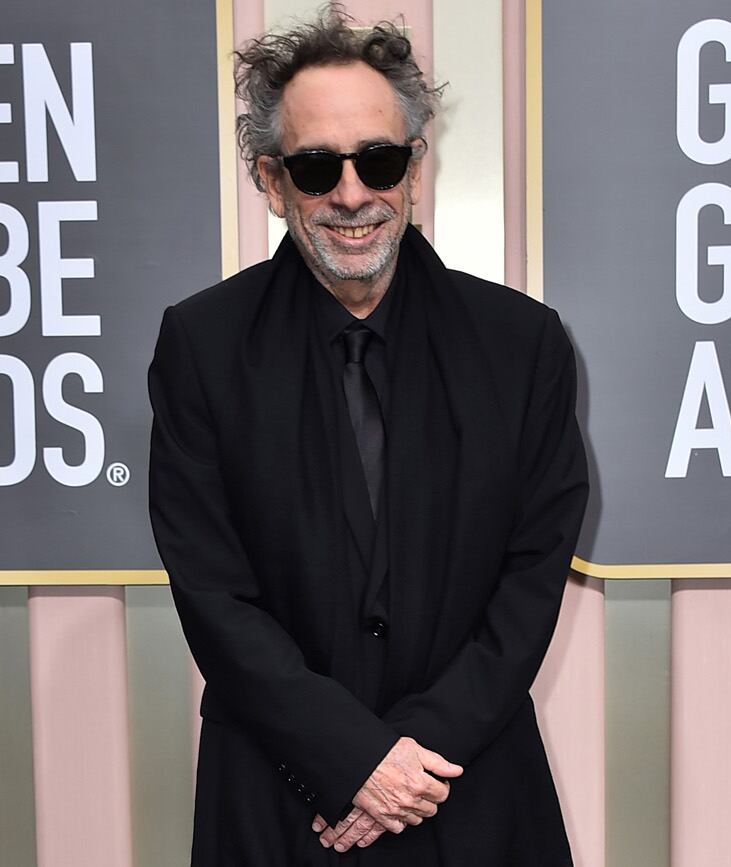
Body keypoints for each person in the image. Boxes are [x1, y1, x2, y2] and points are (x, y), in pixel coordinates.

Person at [148, 5, 590, 864]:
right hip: (277, 796)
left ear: (414, 169)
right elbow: (211, 589)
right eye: (317, 169)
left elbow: (533, 573)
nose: (352, 195)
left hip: (468, 786)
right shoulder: (201, 346)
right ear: (271, 181)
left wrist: (405, 762)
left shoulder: (523, 343)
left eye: (378, 160)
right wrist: (349, 758)